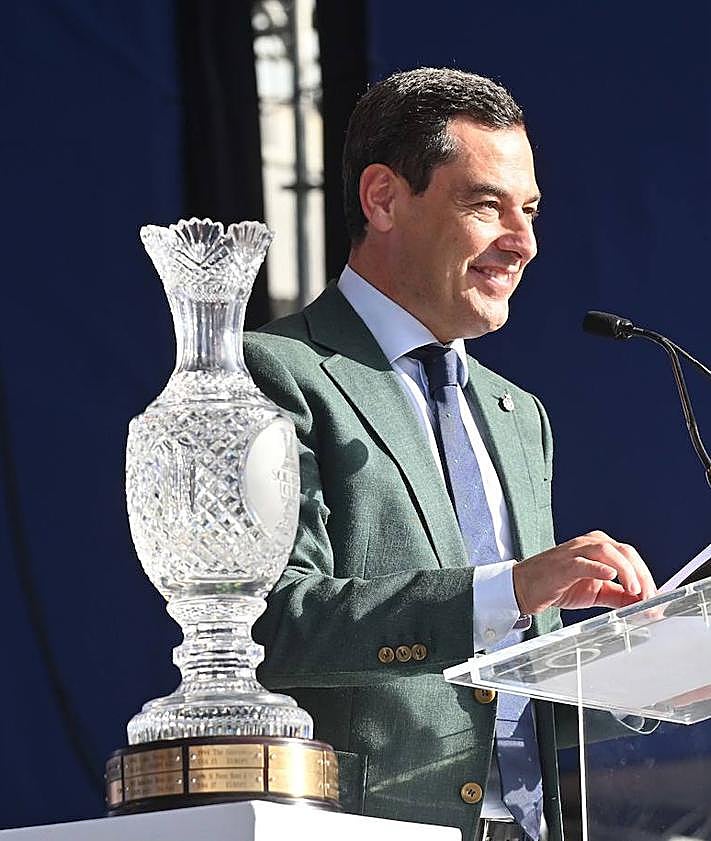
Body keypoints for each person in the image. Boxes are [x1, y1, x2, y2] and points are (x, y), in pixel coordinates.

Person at [244, 68, 656, 841]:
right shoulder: (275, 372)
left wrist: (643, 670)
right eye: (485, 204)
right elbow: (268, 624)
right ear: (383, 198)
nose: (523, 242)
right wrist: (511, 587)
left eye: (529, 210)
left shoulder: (516, 415)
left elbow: (509, 696)